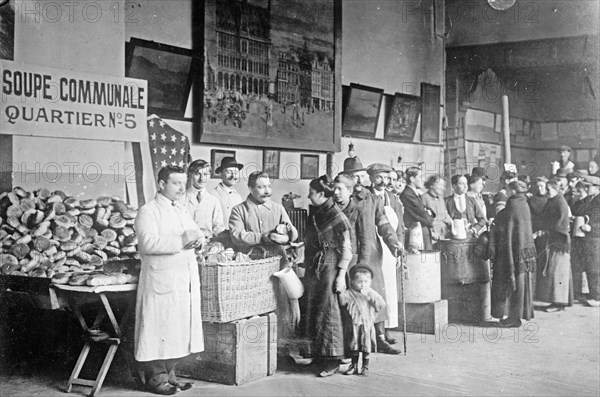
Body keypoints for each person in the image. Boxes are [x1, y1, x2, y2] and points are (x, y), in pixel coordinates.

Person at [134, 166, 204, 395]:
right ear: (162, 184)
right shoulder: (148, 211)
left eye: (183, 183)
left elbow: (193, 233)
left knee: (177, 330)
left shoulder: (180, 210)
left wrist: (198, 241)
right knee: (157, 329)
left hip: (182, 281)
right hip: (160, 280)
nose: (182, 188)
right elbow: (147, 243)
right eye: (176, 183)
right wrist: (182, 241)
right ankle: (155, 378)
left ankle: (170, 374)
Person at [339, 157, 402, 354]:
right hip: (349, 255)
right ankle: (351, 343)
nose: (358, 180)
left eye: (360, 176)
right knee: (352, 297)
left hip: (372, 252)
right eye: (354, 176)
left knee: (376, 293)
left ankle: (380, 338)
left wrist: (394, 244)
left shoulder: (372, 199)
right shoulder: (341, 198)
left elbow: (383, 224)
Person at [229, 171, 299, 340]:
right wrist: (261, 237)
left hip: (278, 262)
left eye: (268, 186)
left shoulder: (277, 208)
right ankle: (255, 348)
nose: (267, 191)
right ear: (250, 188)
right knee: (253, 307)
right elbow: (236, 235)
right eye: (261, 187)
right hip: (251, 264)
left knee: (281, 304)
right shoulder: (239, 210)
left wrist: (288, 234)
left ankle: (282, 350)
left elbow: (294, 234)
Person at [303, 175, 352, 377]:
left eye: (311, 193)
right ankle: (319, 355)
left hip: (331, 268)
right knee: (314, 309)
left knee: (329, 311)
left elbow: (347, 250)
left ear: (322, 194)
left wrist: (340, 276)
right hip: (317, 267)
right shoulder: (317, 212)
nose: (308, 196)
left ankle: (332, 360)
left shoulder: (337, 215)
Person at [489, 180, 537, 327]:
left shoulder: (513, 204)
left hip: (513, 252)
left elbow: (505, 225)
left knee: (512, 282)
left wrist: (494, 224)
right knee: (520, 283)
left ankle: (513, 318)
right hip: (524, 252)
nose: (506, 193)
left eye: (508, 191)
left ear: (513, 191)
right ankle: (515, 316)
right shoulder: (524, 204)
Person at [366, 163, 405, 336]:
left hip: (390, 249)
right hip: (372, 248)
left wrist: (399, 248)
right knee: (374, 288)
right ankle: (374, 330)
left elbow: (400, 228)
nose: (383, 182)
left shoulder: (393, 199)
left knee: (389, 289)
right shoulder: (366, 197)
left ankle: (387, 328)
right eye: (379, 177)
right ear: (371, 178)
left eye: (386, 178)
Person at [338, 265, 386, 377]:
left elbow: (381, 304)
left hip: (366, 325)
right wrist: (342, 291)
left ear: (370, 281)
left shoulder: (371, 292)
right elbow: (342, 301)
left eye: (366, 281)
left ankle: (365, 366)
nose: (362, 284)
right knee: (354, 345)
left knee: (366, 345)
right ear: (353, 281)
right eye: (359, 281)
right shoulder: (350, 293)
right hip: (354, 325)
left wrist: (370, 298)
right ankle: (353, 366)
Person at [535, 179, 573, 312]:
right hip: (553, 241)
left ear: (556, 190)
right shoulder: (552, 200)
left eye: (548, 189)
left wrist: (544, 231)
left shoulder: (560, 202)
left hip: (560, 243)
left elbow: (560, 222)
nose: (546, 192)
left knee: (559, 273)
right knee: (555, 272)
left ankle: (559, 303)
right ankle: (557, 302)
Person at [183, 159, 225, 239]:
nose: (202, 179)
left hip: (207, 245)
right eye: (197, 174)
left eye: (205, 174)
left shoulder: (214, 201)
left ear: (209, 176)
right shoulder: (180, 199)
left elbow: (218, 228)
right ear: (190, 175)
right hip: (185, 244)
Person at [400, 166, 435, 250]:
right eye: (420, 177)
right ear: (412, 179)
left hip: (422, 232)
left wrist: (427, 213)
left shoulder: (415, 194)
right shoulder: (408, 194)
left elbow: (429, 212)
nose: (423, 179)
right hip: (416, 234)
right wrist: (428, 215)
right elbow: (423, 214)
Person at [580, 175, 600, 307]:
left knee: (595, 268)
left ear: (597, 188)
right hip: (587, 239)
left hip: (596, 239)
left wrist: (591, 227)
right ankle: (593, 294)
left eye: (588, 186)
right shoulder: (588, 199)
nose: (586, 188)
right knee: (589, 267)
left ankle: (597, 297)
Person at [570, 179, 591, 302]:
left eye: (579, 191)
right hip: (576, 236)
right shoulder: (578, 203)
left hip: (584, 236)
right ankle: (578, 291)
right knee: (577, 263)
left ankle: (583, 292)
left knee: (583, 264)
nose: (577, 194)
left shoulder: (589, 203)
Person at [211, 157, 244, 227]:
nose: (233, 176)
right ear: (221, 174)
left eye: (235, 172)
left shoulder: (238, 197)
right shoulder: (213, 195)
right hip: (219, 237)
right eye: (229, 172)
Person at [421, 174, 452, 240]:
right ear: (431, 185)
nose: (442, 188)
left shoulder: (441, 199)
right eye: (440, 185)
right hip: (431, 235)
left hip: (444, 234)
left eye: (443, 186)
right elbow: (422, 220)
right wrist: (431, 233)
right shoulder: (424, 198)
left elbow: (446, 215)